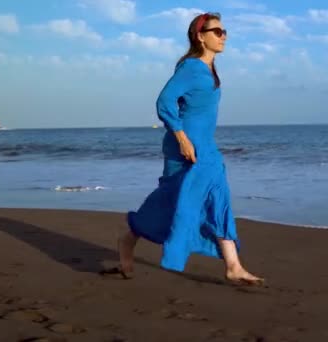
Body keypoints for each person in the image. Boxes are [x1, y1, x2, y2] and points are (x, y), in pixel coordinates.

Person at [103, 12, 264, 286]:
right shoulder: (191, 68)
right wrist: (181, 138)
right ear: (200, 36)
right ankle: (129, 237)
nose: (223, 36)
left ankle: (232, 265)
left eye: (225, 32)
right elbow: (164, 102)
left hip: (205, 146)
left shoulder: (210, 69)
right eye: (217, 31)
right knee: (187, 196)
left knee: (205, 197)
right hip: (186, 146)